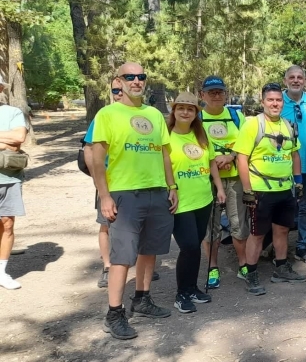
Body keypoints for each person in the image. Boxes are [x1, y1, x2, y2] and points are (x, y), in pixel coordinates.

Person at [91, 63, 176, 340]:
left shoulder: (154, 114)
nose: (137, 81)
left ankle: (142, 299)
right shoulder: (108, 113)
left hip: (156, 191)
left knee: (149, 250)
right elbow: (95, 158)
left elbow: (164, 154)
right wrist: (104, 195)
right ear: (119, 80)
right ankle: (114, 313)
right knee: (122, 257)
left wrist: (171, 186)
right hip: (125, 194)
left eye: (141, 76)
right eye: (130, 77)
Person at [235, 83, 306, 296]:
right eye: (270, 100)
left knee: (282, 230)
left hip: (285, 188)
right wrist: (247, 189)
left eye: (278, 100)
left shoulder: (288, 125)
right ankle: (251, 272)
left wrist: (299, 181)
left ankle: (281, 267)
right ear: (263, 101)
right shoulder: (252, 125)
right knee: (257, 234)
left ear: (282, 103)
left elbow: (294, 154)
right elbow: (241, 157)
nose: (275, 104)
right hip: (260, 189)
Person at [167, 92, 226, 313]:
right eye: (180, 108)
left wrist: (219, 188)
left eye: (190, 109)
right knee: (189, 246)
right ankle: (181, 293)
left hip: (204, 199)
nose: (185, 112)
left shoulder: (200, 136)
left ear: (195, 114)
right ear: (174, 111)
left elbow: (211, 163)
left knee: (197, 245)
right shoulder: (167, 136)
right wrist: (171, 189)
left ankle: (192, 288)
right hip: (181, 202)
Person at [199, 75, 248, 290]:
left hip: (235, 179)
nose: (216, 96)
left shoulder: (237, 117)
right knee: (211, 227)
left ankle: (244, 265)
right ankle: (212, 267)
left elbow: (246, 143)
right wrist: (214, 161)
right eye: (212, 92)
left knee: (238, 224)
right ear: (203, 95)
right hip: (207, 181)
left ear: (225, 93)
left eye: (220, 92)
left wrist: (230, 156)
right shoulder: (196, 119)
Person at [83, 81, 123, 289]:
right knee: (106, 224)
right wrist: (99, 184)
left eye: (121, 89)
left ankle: (138, 264)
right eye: (115, 90)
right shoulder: (103, 115)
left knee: (139, 225)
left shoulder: (140, 114)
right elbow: (89, 151)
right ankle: (107, 266)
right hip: (109, 181)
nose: (119, 93)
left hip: (134, 181)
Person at [280, 65, 306, 265]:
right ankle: (279, 250)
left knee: (305, 208)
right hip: (282, 168)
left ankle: (302, 247)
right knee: (283, 209)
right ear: (285, 80)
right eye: (291, 77)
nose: (296, 80)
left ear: (305, 81)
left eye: (299, 78)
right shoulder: (277, 102)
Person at [0, 74, 28, 290]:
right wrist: (5, 139)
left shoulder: (12, 112)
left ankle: (2, 272)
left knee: (7, 223)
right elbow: (10, 141)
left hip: (8, 177)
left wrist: (11, 141)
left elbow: (18, 140)